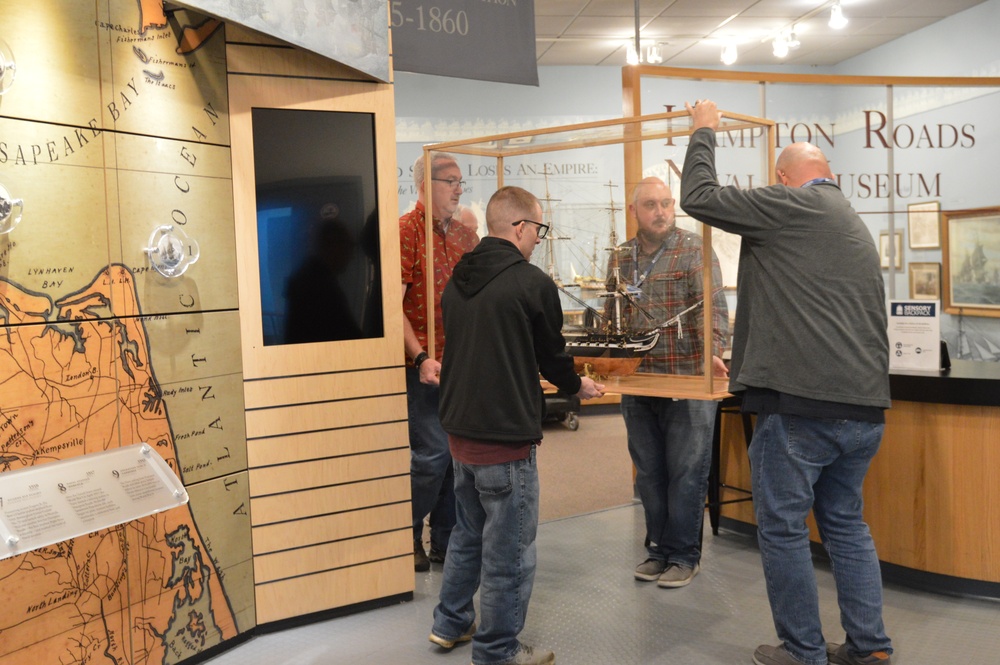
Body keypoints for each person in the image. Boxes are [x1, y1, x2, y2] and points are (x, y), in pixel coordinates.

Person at [681, 99, 893, 665]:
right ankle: (870, 648)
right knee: (846, 525)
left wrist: (703, 131)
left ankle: (803, 653)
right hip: (865, 411)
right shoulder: (849, 221)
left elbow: (697, 197)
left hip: (803, 410)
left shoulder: (792, 206)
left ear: (782, 179)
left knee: (781, 528)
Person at [429, 186, 605, 665]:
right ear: (521, 228)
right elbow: (553, 356)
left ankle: (449, 623)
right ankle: (497, 651)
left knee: (468, 533)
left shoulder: (457, 277)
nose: (538, 240)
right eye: (538, 230)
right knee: (509, 552)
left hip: (460, 435)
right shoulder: (530, 283)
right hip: (505, 440)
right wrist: (578, 385)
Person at [613, 177, 729, 589]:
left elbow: (714, 308)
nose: (661, 211)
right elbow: (615, 315)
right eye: (650, 205)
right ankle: (657, 550)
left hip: (687, 382)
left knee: (686, 472)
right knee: (649, 472)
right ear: (634, 212)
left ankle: (683, 555)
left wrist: (713, 353)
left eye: (666, 203)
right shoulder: (621, 257)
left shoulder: (694, 248)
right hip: (638, 382)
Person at [399, 152, 479, 572]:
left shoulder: (467, 237)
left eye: (460, 181)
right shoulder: (404, 232)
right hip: (423, 368)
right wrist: (421, 356)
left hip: (460, 364)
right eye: (450, 181)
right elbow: (393, 309)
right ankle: (406, 532)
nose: (458, 189)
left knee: (457, 457)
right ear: (425, 185)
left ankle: (445, 542)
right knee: (431, 455)